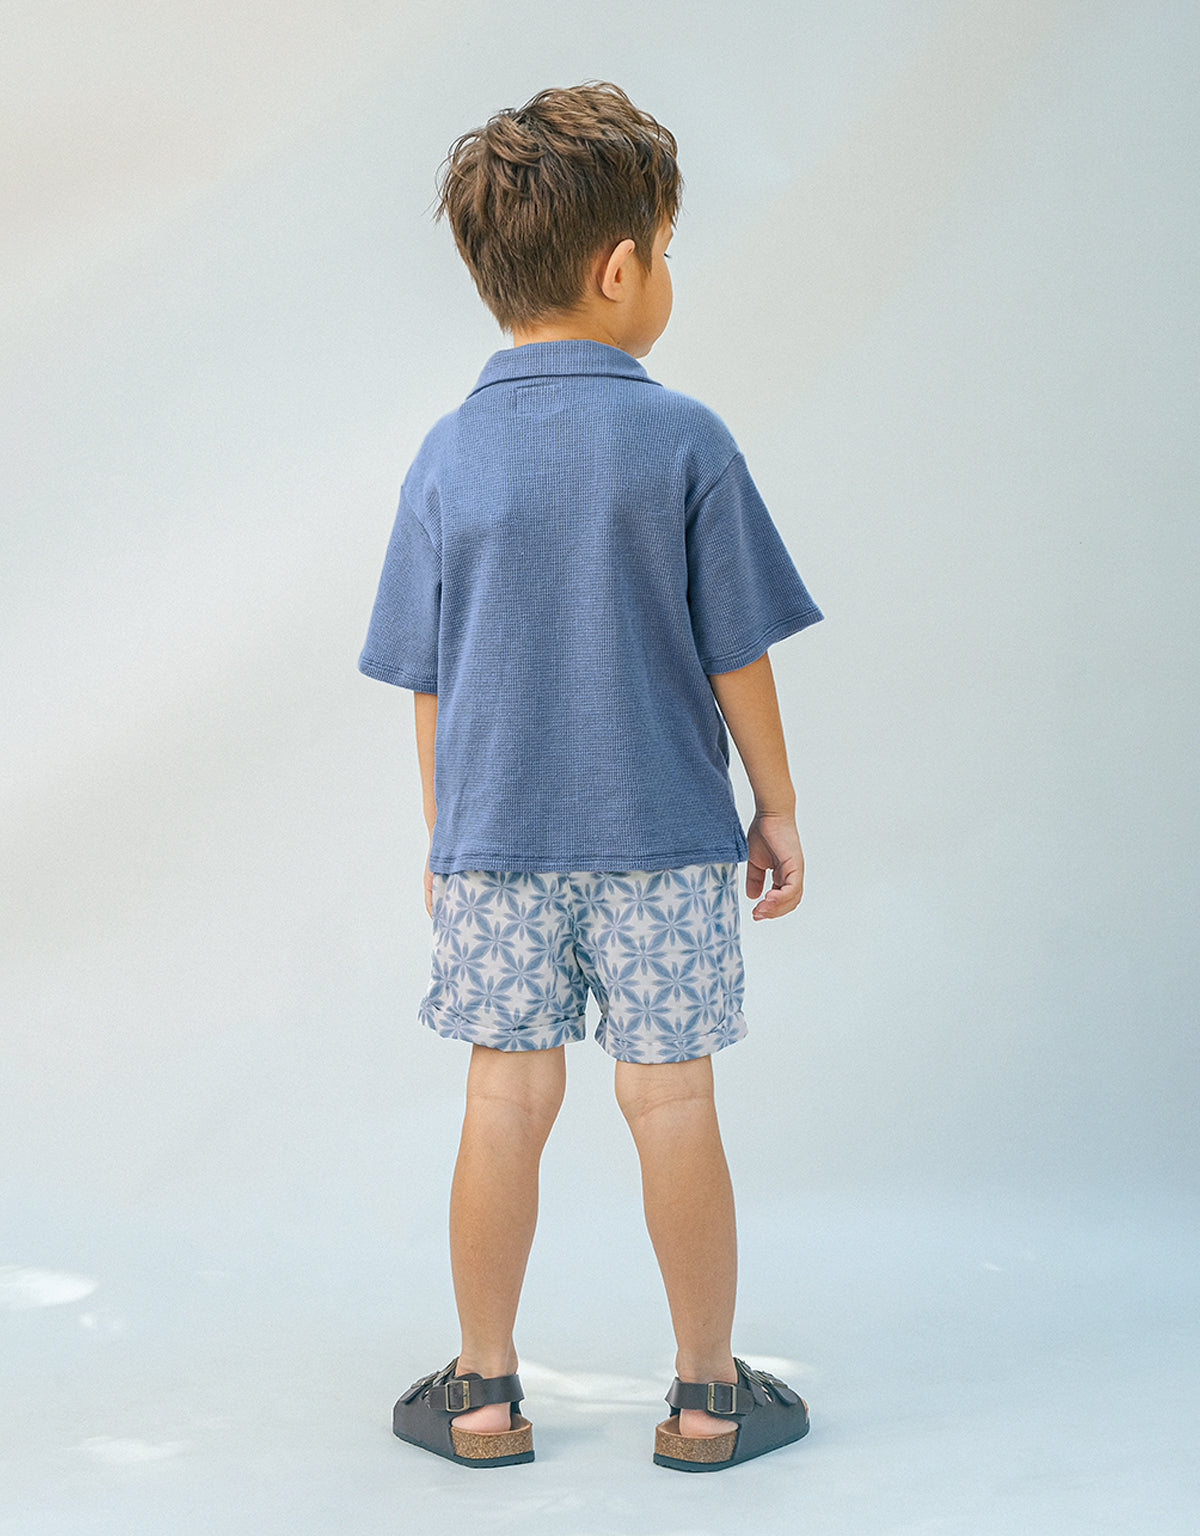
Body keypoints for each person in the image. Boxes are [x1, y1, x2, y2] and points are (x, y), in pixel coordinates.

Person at [359, 81, 823, 1472]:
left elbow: (429, 676)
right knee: (671, 1101)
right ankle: (707, 1398)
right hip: (667, 840)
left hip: (494, 847)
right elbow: (737, 652)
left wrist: (445, 835)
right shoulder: (685, 441)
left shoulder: (446, 455)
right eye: (666, 252)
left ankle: (483, 1394)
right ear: (622, 269)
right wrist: (775, 805)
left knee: (505, 1100)